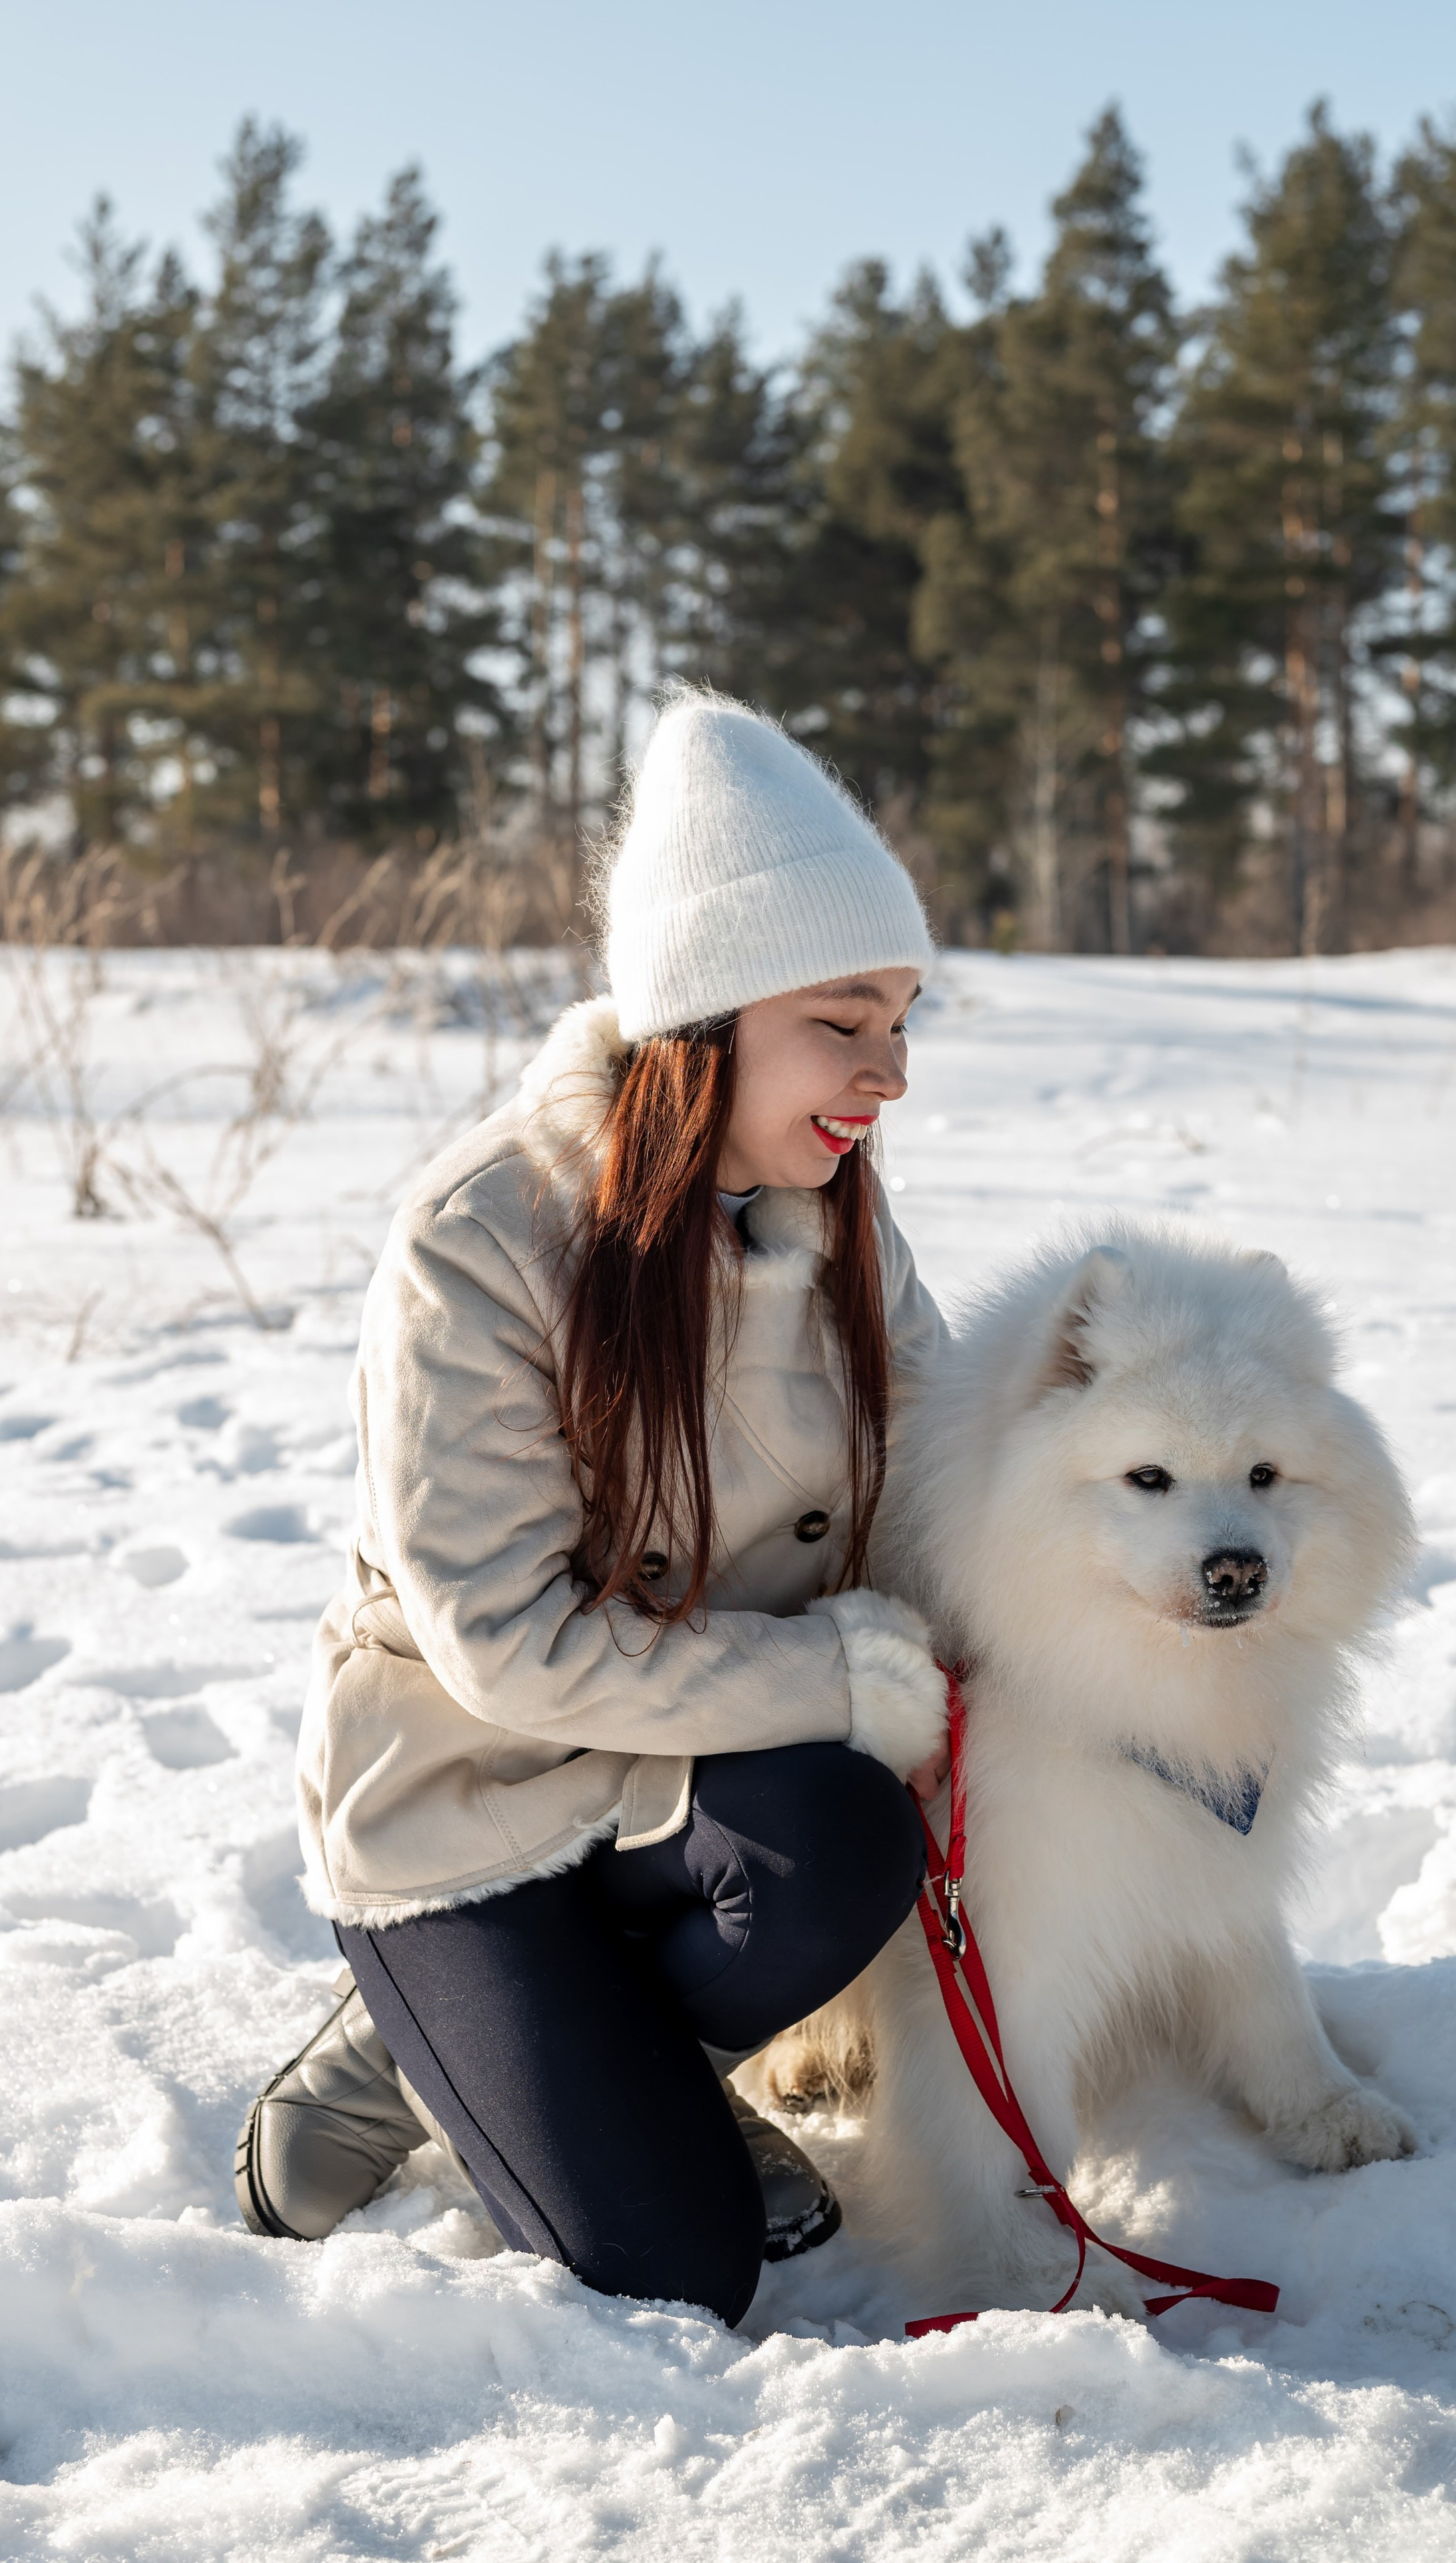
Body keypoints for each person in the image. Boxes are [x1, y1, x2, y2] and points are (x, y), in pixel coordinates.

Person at [235, 692, 951, 2328]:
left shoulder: (835, 1220)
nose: (889, 1074)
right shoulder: (481, 1237)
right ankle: (409, 2033)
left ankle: (560, 2048)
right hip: (467, 1793)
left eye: (905, 1022)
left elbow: (932, 1486)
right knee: (670, 2268)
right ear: (702, 1023)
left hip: (670, 1781)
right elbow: (503, 1639)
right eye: (846, 1022)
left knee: (846, 1838)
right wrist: (837, 1680)